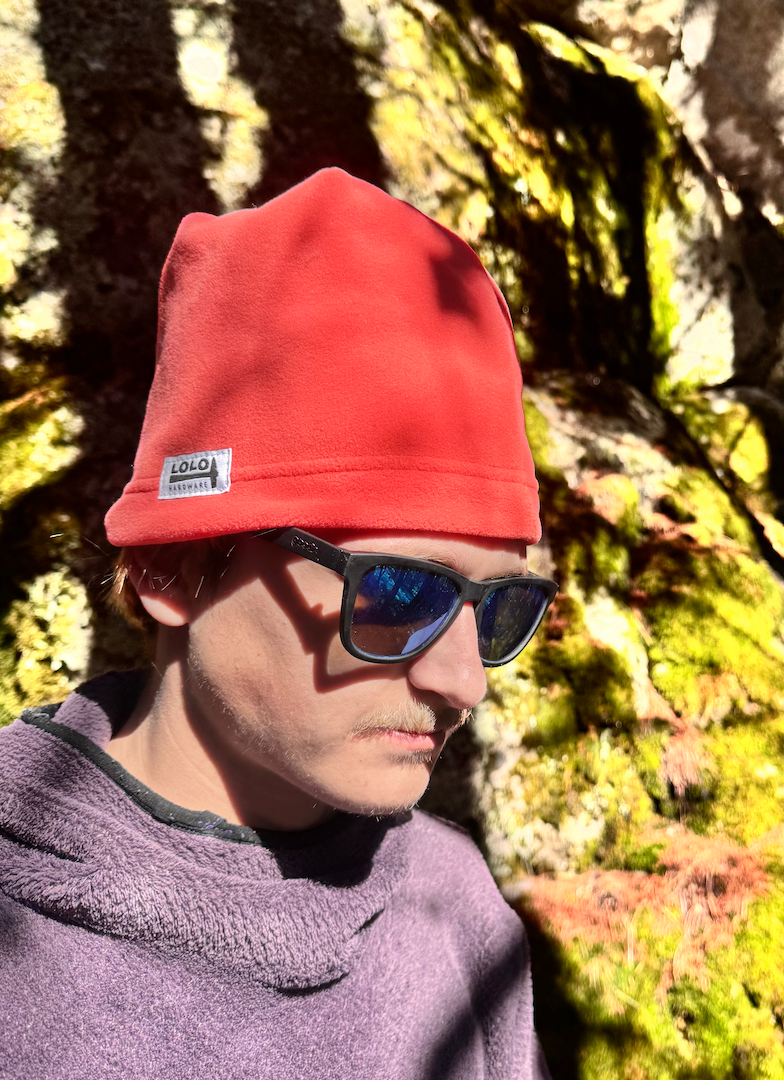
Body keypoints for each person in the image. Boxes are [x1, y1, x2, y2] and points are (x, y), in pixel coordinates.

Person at [0, 168, 555, 1079]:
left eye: (499, 607)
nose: (466, 682)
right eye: (398, 592)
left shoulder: (459, 912)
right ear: (174, 569)